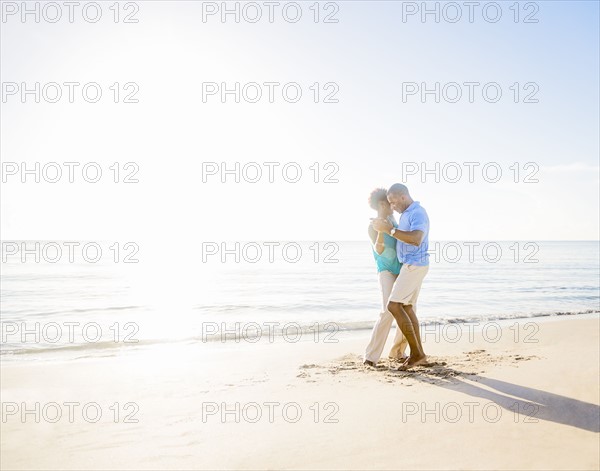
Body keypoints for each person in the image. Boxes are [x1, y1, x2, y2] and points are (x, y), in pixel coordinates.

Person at [372, 183, 430, 370]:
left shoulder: (416, 213)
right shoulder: (404, 215)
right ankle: (418, 353)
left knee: (393, 305)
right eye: (389, 203)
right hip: (407, 265)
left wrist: (389, 230)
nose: (393, 207)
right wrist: (385, 230)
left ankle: (417, 354)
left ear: (403, 197)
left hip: (414, 265)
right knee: (407, 308)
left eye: (394, 202)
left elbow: (416, 238)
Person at [363, 188, 408, 367]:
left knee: (405, 310)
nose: (393, 204)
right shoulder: (372, 226)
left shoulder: (393, 220)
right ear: (382, 204)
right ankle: (370, 356)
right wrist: (381, 230)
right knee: (388, 310)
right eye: (390, 202)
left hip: (401, 268)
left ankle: (398, 352)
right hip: (386, 271)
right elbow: (379, 250)